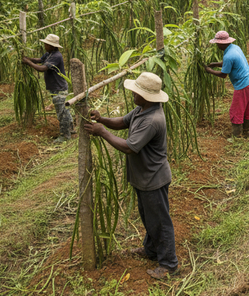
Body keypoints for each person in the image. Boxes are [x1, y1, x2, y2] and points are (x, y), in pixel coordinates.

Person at [83, 72, 179, 280]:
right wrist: (102, 120)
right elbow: (122, 122)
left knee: (160, 222)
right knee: (149, 218)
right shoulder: (142, 109)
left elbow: (129, 147)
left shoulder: (152, 120)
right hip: (144, 177)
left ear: (146, 96)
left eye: (136, 91)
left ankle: (169, 264)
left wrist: (102, 132)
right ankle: (151, 250)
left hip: (153, 178)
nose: (132, 93)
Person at [21, 34, 73, 143]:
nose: (45, 45)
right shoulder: (49, 54)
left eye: (47, 44)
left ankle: (65, 135)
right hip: (57, 87)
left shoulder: (56, 56)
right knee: (65, 111)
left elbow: (42, 68)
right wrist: (28, 58)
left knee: (62, 113)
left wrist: (28, 63)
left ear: (53, 46)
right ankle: (71, 129)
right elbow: (39, 60)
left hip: (59, 88)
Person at [204, 31, 249, 138]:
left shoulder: (228, 55)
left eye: (217, 43)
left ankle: (237, 137)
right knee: (246, 108)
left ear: (223, 43)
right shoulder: (234, 48)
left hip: (243, 86)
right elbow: (229, 63)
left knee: (235, 110)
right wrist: (215, 64)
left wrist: (209, 71)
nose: (217, 45)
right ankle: (246, 133)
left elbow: (224, 74)